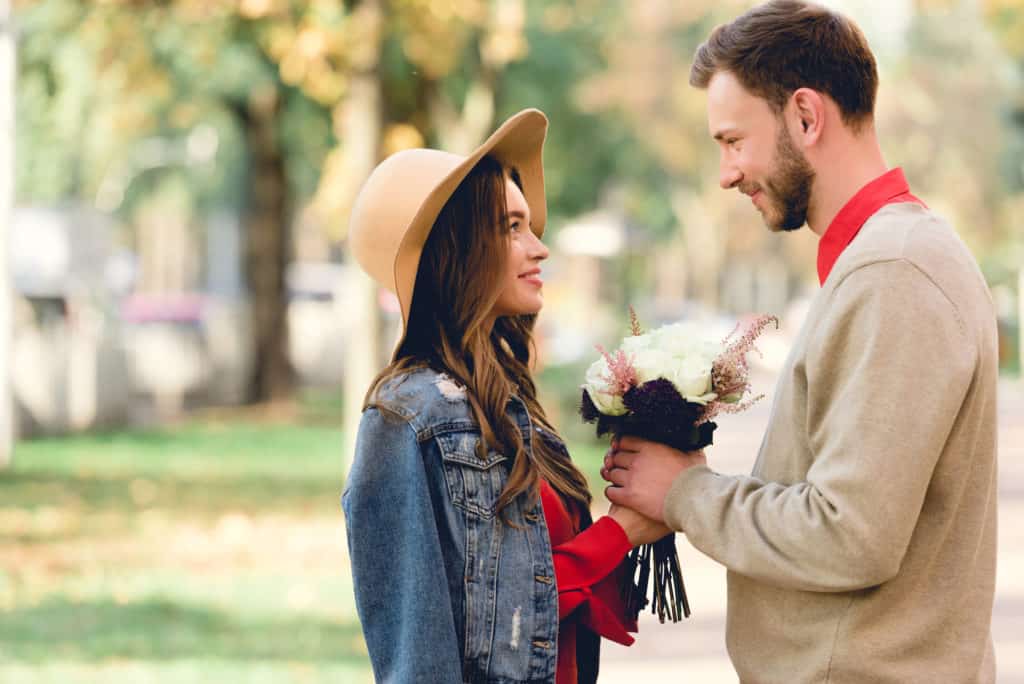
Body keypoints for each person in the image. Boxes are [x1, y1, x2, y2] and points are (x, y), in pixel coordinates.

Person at [602, 2, 999, 682]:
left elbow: (852, 536)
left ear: (806, 117)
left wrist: (686, 495)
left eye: (732, 141)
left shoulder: (894, 271)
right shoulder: (884, 262)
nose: (726, 173)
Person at [343, 109, 667, 684]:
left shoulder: (514, 408)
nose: (539, 247)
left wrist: (640, 502)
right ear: (457, 248)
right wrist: (618, 533)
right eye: (511, 227)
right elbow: (425, 654)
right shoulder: (405, 418)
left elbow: (537, 599)